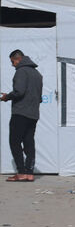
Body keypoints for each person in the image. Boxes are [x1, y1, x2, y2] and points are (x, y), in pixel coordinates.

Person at [2, 50, 42, 182]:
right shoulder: (37, 74)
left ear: (17, 59)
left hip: (20, 113)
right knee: (29, 142)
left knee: (14, 142)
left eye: (12, 62)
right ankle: (30, 173)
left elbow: (19, 91)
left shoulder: (21, 71)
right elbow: (39, 97)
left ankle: (21, 172)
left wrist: (7, 97)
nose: (13, 65)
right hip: (34, 114)